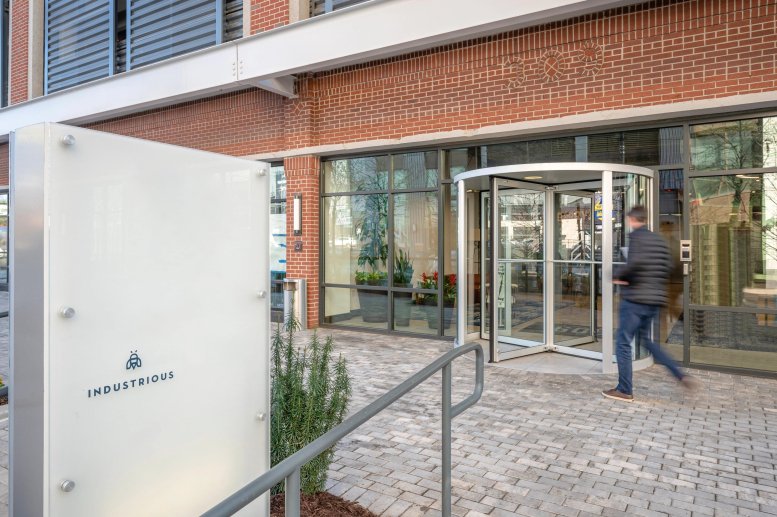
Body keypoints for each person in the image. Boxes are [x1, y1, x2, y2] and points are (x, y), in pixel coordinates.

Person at [602, 206, 695, 402]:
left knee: (623, 342)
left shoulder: (637, 237)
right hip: (655, 301)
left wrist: (617, 276)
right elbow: (669, 266)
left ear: (632, 219)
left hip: (636, 300)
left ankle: (624, 390)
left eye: (629, 220)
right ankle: (680, 375)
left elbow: (634, 263)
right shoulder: (658, 240)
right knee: (649, 342)